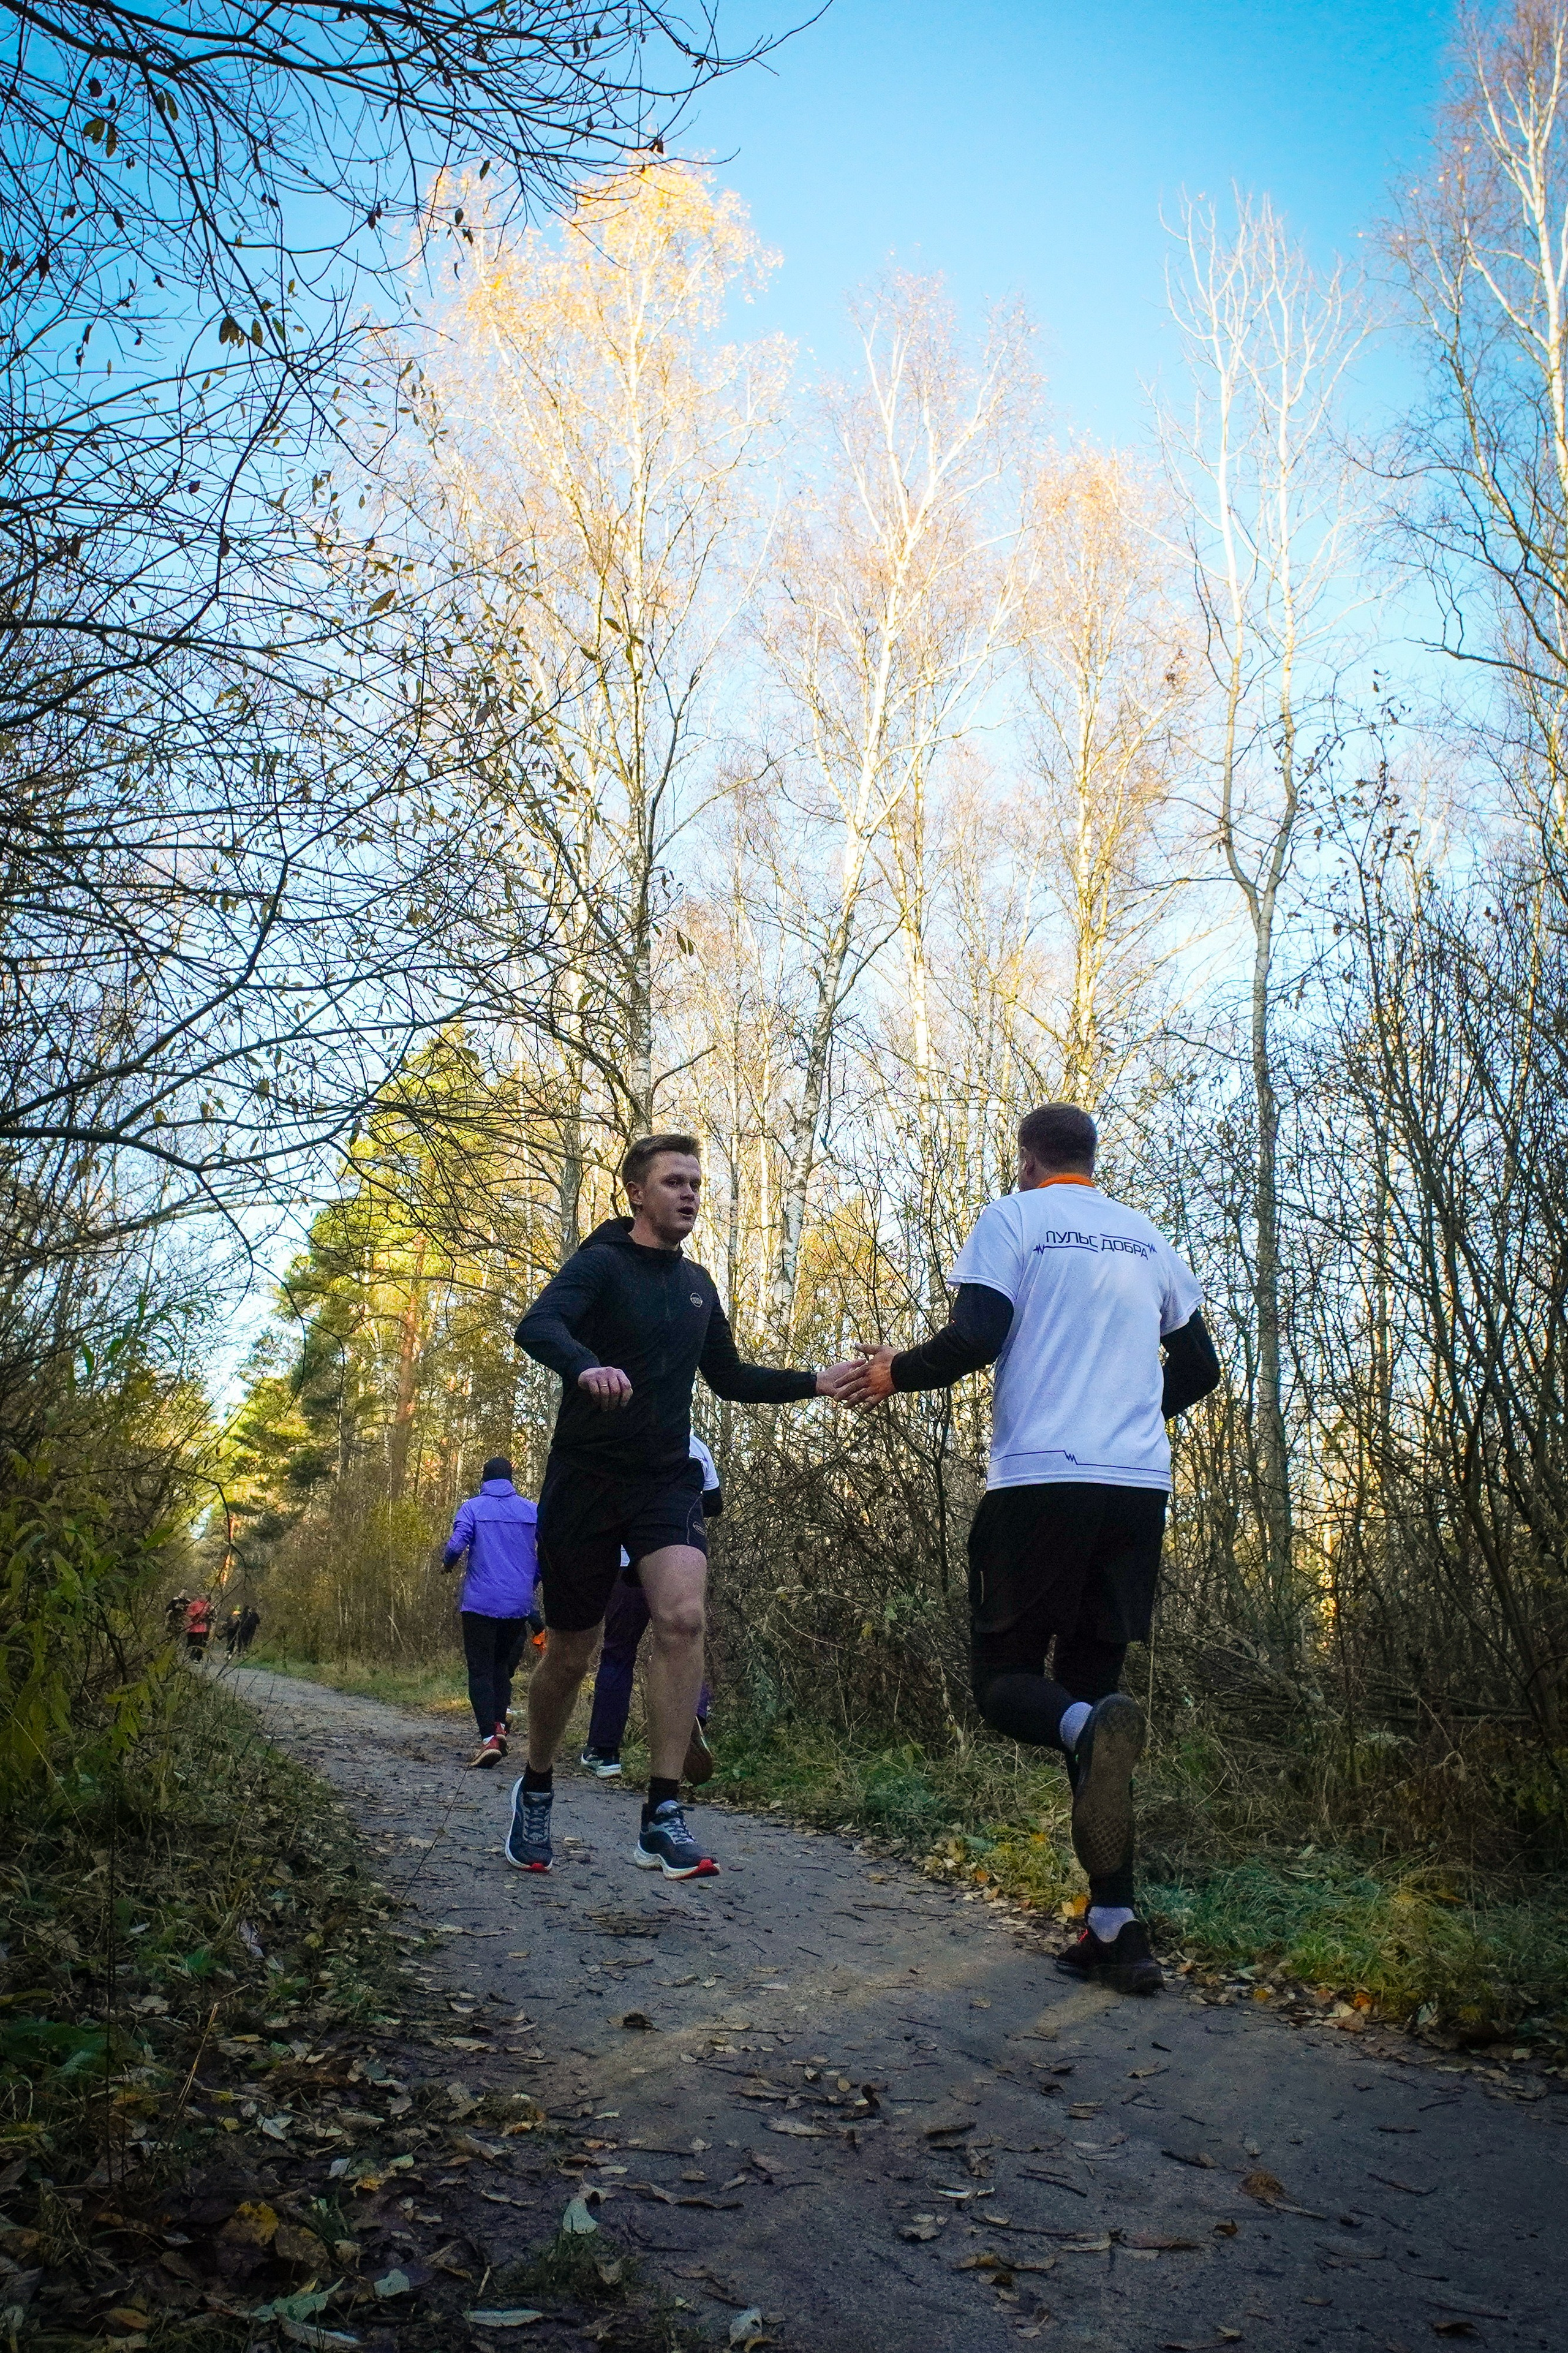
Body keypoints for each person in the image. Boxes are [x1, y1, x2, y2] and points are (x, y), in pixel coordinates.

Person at [848, 1103, 1221, 1996]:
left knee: (1007, 1681)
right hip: (1136, 1489)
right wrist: (1129, 1419)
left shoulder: (1014, 1218)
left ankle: (1090, 1736)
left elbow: (978, 1334)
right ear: (1092, 1159)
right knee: (1094, 1707)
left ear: (1026, 1160)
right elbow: (1201, 1368)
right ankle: (1117, 1926)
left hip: (1041, 1483)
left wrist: (894, 1370)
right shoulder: (1146, 1238)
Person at [511, 1131, 862, 1879]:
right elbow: (537, 1326)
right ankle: (536, 1783)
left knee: (682, 1617)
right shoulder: (599, 1265)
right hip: (586, 1479)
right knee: (572, 1651)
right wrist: (585, 1365)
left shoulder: (699, 1284)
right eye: (675, 1181)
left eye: (697, 1183)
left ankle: (662, 1813)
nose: (690, 1194)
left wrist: (813, 1381)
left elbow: (729, 1377)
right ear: (636, 1191)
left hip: (663, 1478)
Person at [579, 1431, 721, 1783]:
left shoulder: (628, 1435)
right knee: (683, 1644)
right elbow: (715, 1504)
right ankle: (693, 1715)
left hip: (629, 1562)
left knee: (618, 1653)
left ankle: (604, 1751)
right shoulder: (697, 1446)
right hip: (680, 1558)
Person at [442, 1456, 541, 1769]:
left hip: (480, 1604)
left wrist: (447, 1563)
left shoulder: (472, 1508)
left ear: (484, 1479)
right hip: (517, 1605)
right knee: (501, 1665)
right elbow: (549, 1552)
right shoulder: (531, 1511)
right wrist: (530, 1580)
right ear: (511, 1479)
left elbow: (457, 1546)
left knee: (480, 1669)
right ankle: (499, 1724)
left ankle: (489, 1739)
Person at [184, 1593, 213, 1661]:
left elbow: (210, 1613)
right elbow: (189, 1613)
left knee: (201, 1643)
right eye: (202, 1597)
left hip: (202, 1628)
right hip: (194, 1627)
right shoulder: (194, 1604)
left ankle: (197, 1657)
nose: (203, 1599)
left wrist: (209, 1614)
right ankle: (191, 1656)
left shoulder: (207, 1605)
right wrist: (195, 1614)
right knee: (192, 1642)